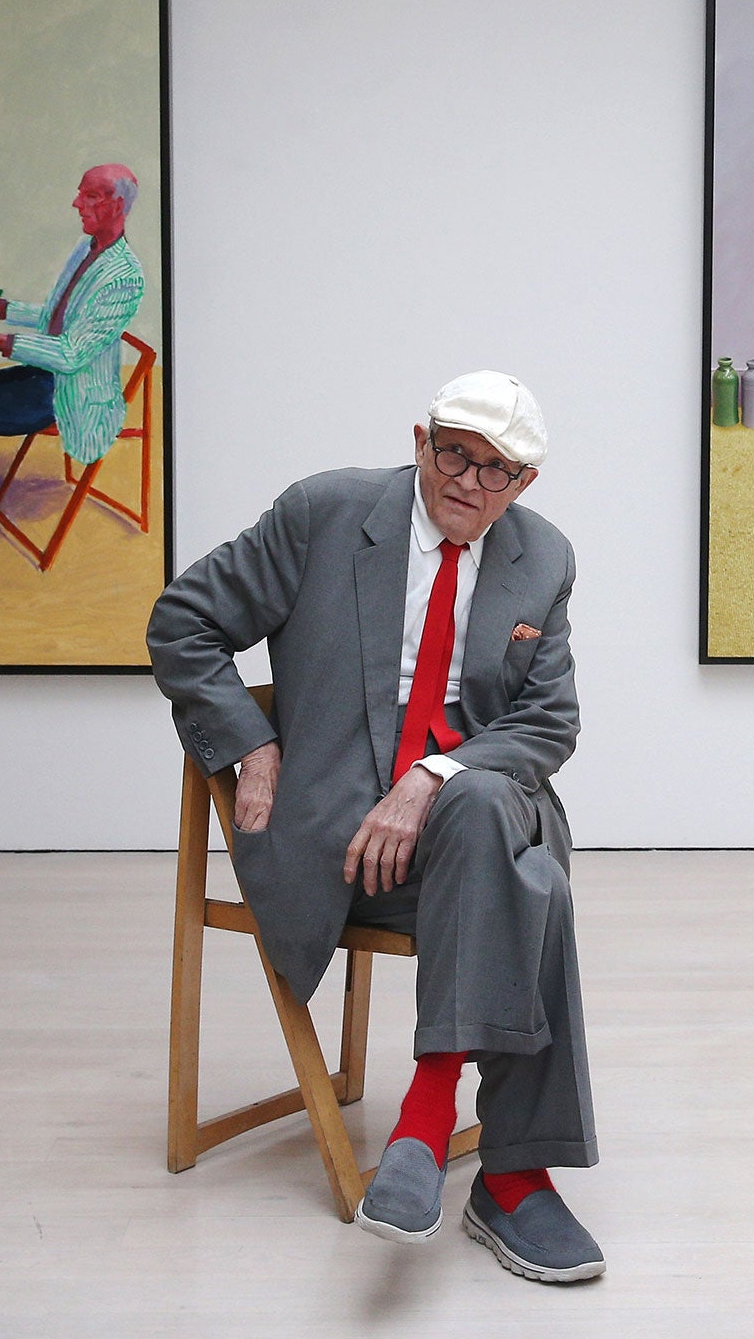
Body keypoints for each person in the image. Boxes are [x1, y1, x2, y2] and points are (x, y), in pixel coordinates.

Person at [148, 372, 603, 1283]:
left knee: (477, 804)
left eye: (497, 469)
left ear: (524, 486)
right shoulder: (325, 512)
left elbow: (548, 725)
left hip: (464, 825)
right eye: (453, 453)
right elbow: (183, 621)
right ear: (420, 439)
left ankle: (424, 1124)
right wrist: (251, 744)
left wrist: (431, 777)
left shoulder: (543, 557)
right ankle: (514, 1179)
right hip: (339, 833)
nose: (469, 482)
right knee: (530, 880)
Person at [0, 165, 144, 562]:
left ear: (117, 204)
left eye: (88, 196)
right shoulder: (89, 248)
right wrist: (1, 307)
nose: (76, 203)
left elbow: (71, 354)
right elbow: (58, 316)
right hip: (45, 376)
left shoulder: (124, 277)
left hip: (68, 393)